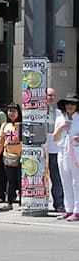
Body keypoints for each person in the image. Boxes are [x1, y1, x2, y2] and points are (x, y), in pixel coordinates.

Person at [53, 93, 79, 221]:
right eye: (68, 104)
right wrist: (62, 128)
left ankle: (77, 210)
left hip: (76, 151)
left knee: (76, 182)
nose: (70, 106)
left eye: (73, 104)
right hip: (63, 151)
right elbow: (55, 138)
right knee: (65, 181)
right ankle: (68, 209)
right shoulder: (60, 118)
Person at [0, 103, 22, 212]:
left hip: (21, 156)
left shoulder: (22, 125)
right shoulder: (5, 125)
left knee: (20, 181)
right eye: (9, 111)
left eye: (14, 111)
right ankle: (9, 203)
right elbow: (1, 142)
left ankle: (21, 202)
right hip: (8, 156)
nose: (11, 113)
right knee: (10, 181)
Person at [46, 88, 66, 213]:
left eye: (53, 96)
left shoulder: (60, 114)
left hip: (55, 151)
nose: (51, 98)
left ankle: (59, 204)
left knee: (57, 180)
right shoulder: (38, 113)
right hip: (41, 152)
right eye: (49, 95)